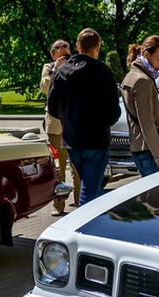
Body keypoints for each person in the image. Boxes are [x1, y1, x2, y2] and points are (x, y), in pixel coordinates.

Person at [47, 28, 121, 205]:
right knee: (90, 191)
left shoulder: (61, 72)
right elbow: (113, 110)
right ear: (98, 47)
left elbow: (52, 107)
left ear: (78, 46)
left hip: (72, 140)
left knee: (90, 186)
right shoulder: (102, 71)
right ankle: (82, 226)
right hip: (95, 140)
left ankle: (91, 222)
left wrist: (68, 119)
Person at [122, 35, 159, 177]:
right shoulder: (142, 80)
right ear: (146, 54)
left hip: (140, 148)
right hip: (148, 151)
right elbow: (147, 124)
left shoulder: (132, 75)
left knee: (154, 197)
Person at [40, 39, 80, 216]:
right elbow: (44, 87)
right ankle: (58, 205)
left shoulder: (77, 64)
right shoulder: (48, 68)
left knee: (78, 165)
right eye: (57, 47)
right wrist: (56, 69)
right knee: (58, 168)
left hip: (74, 123)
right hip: (55, 126)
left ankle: (82, 203)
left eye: (65, 47)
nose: (62, 49)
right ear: (52, 53)